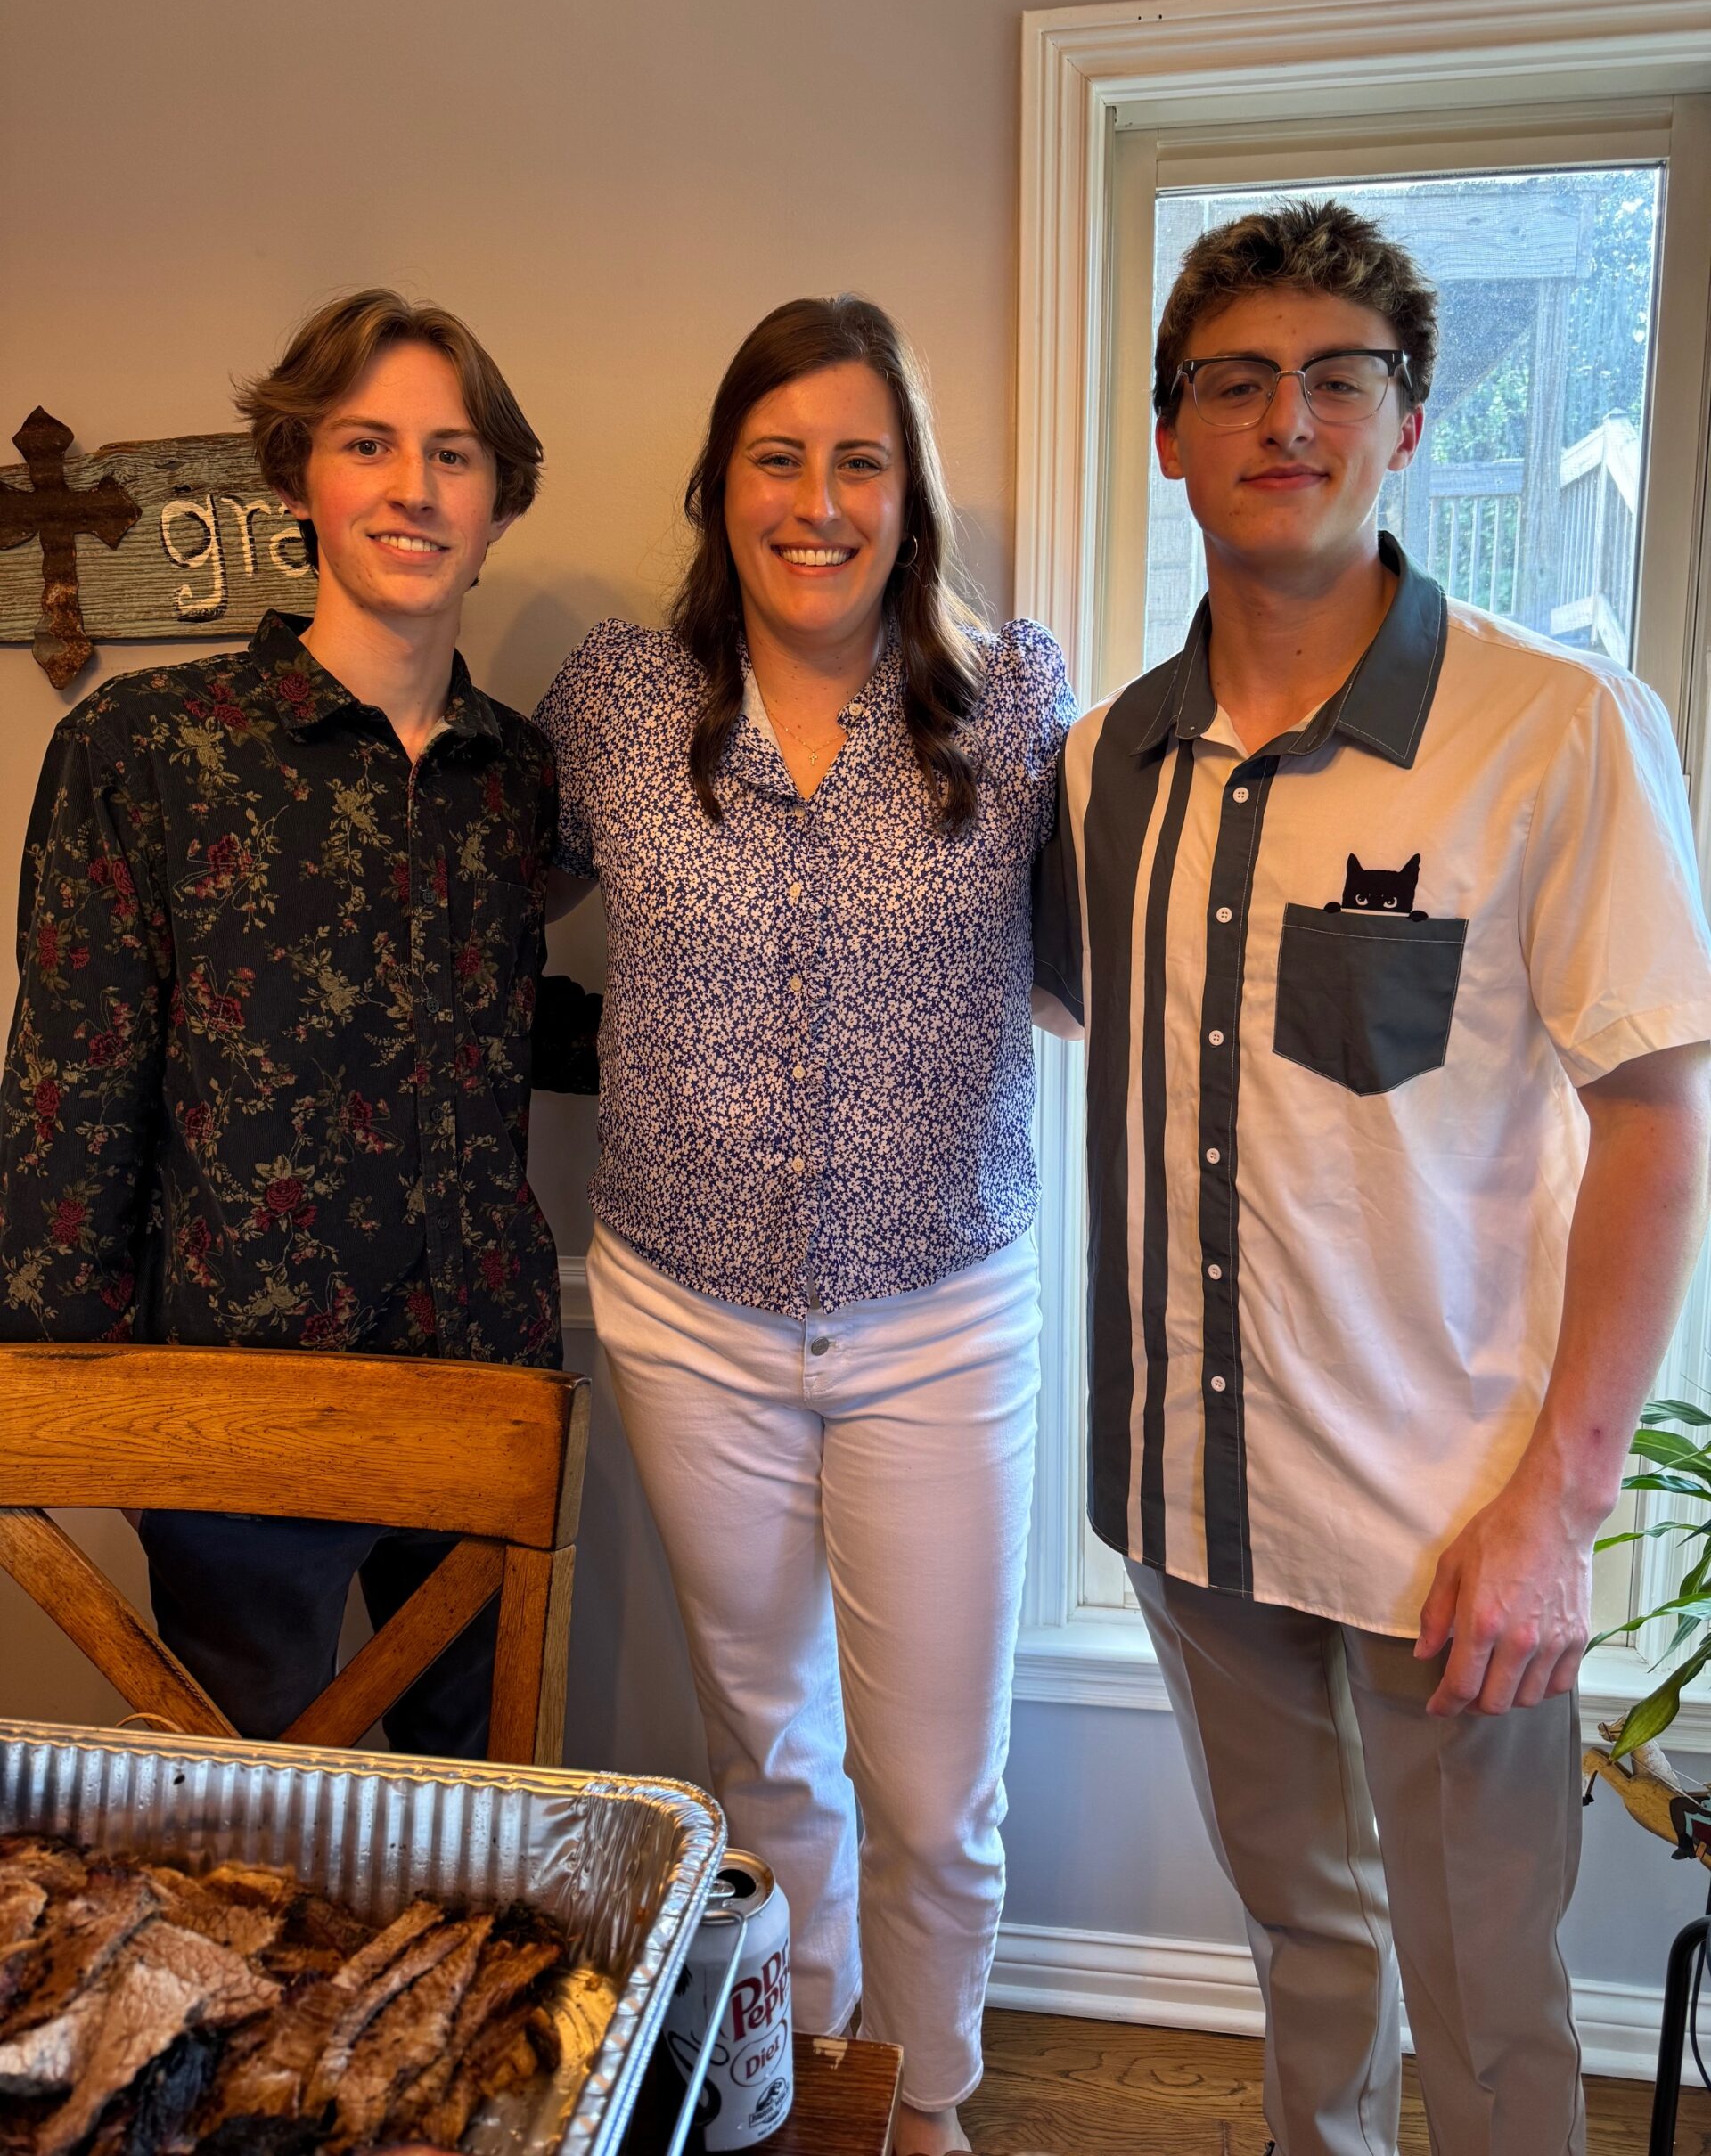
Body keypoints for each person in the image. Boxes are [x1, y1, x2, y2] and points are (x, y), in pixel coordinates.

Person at [1034, 200, 1711, 2156]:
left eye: (1341, 376)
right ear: (1170, 435)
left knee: (1496, 1996)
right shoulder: (1103, 766)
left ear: (1408, 422)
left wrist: (1558, 1507)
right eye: (1237, 380)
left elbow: (1663, 1119)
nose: (1289, 415)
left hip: (1456, 1530)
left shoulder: (1555, 729)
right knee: (1303, 1947)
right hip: (1191, 1494)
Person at [535, 295, 1073, 2156]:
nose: (819, 499)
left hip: (942, 1302)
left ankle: (927, 2105)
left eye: (861, 458)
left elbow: (1103, 966)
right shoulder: (617, 702)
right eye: (780, 456)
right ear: (721, 483)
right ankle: (804, 2081)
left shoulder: (1012, 704)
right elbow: (471, 903)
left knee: (939, 1790)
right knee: (767, 1752)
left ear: (908, 493)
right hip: (687, 1309)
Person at [0, 289, 561, 1756]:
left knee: (478, 1825)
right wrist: (77, 1402)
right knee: (251, 1844)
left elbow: (498, 1023)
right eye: (368, 444)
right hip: (237, 1398)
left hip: (483, 1382)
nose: (412, 488)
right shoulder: (147, 748)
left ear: (497, 501)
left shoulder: (524, 779)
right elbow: (69, 1091)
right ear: (298, 475)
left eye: (453, 454)